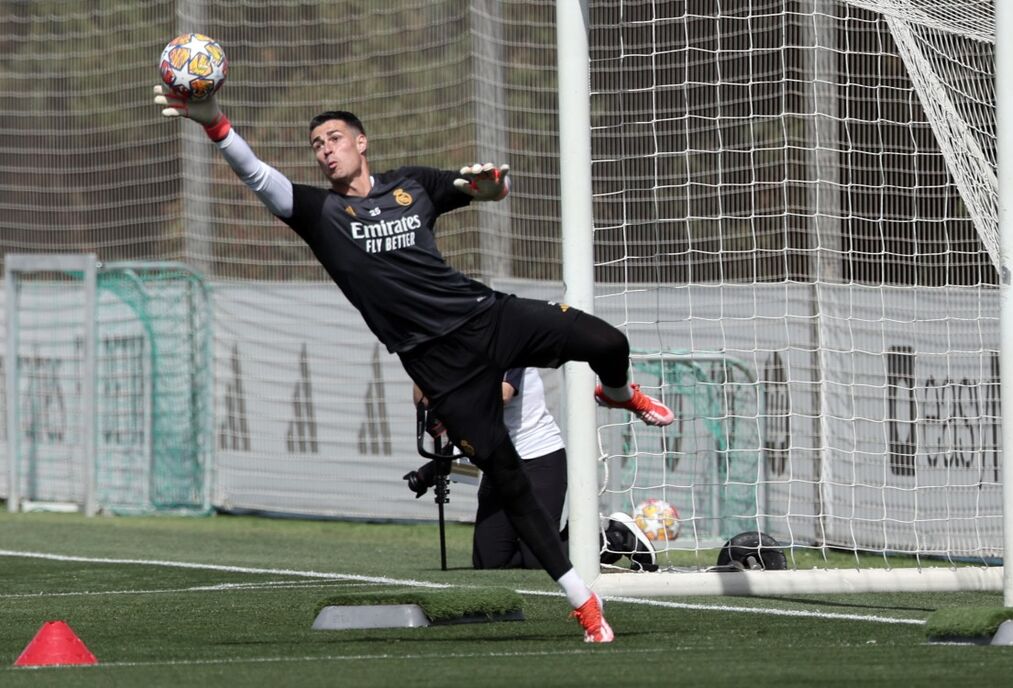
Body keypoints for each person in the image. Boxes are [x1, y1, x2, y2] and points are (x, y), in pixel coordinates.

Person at [153, 85, 675, 643]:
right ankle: (583, 600)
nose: (325, 150)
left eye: (334, 138)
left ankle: (618, 393)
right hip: (440, 368)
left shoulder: (412, 185)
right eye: (316, 144)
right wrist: (215, 124)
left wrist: (495, 188)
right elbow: (258, 175)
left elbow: (481, 189)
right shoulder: (320, 212)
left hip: (487, 317)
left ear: (361, 142)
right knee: (505, 478)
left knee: (606, 340)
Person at [405, 369, 656, 572]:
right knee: (490, 561)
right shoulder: (454, 354)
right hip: (498, 464)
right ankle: (552, 544)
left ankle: (614, 536)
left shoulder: (504, 343)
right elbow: (427, 396)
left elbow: (502, 395)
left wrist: (451, 402)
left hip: (539, 459)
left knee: (539, 560)